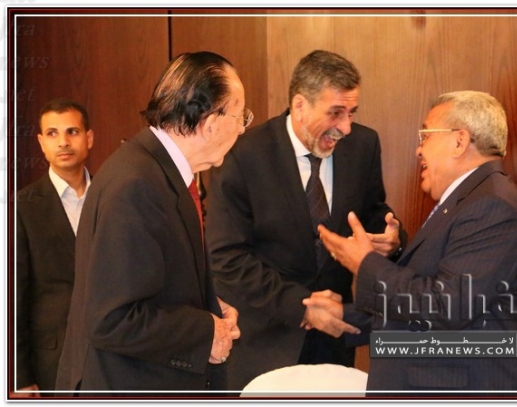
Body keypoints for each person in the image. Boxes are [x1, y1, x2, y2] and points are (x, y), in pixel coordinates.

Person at [307, 90, 517, 394]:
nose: (418, 151)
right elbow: (433, 299)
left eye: (425, 137)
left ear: (459, 141)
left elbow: (447, 306)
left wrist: (365, 263)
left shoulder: (492, 207)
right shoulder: (471, 202)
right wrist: (348, 316)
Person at [205, 49, 407, 391]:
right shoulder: (243, 155)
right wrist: (301, 307)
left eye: (351, 113)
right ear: (300, 105)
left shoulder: (364, 145)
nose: (346, 127)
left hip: (333, 342)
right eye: (335, 113)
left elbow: (372, 210)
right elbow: (227, 257)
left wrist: (391, 238)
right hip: (264, 343)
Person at [55, 51, 246, 395]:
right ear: (211, 122)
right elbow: (112, 319)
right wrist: (206, 332)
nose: (244, 127)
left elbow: (152, 281)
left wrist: (210, 305)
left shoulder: (160, 172)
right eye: (240, 115)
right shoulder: (137, 184)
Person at [15, 98, 94, 398]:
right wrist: (19, 375)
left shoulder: (113, 196)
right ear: (41, 143)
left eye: (72, 131)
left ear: (89, 138)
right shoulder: (21, 208)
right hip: (51, 362)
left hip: (113, 354)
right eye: (52, 133)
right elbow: (14, 297)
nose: (63, 142)